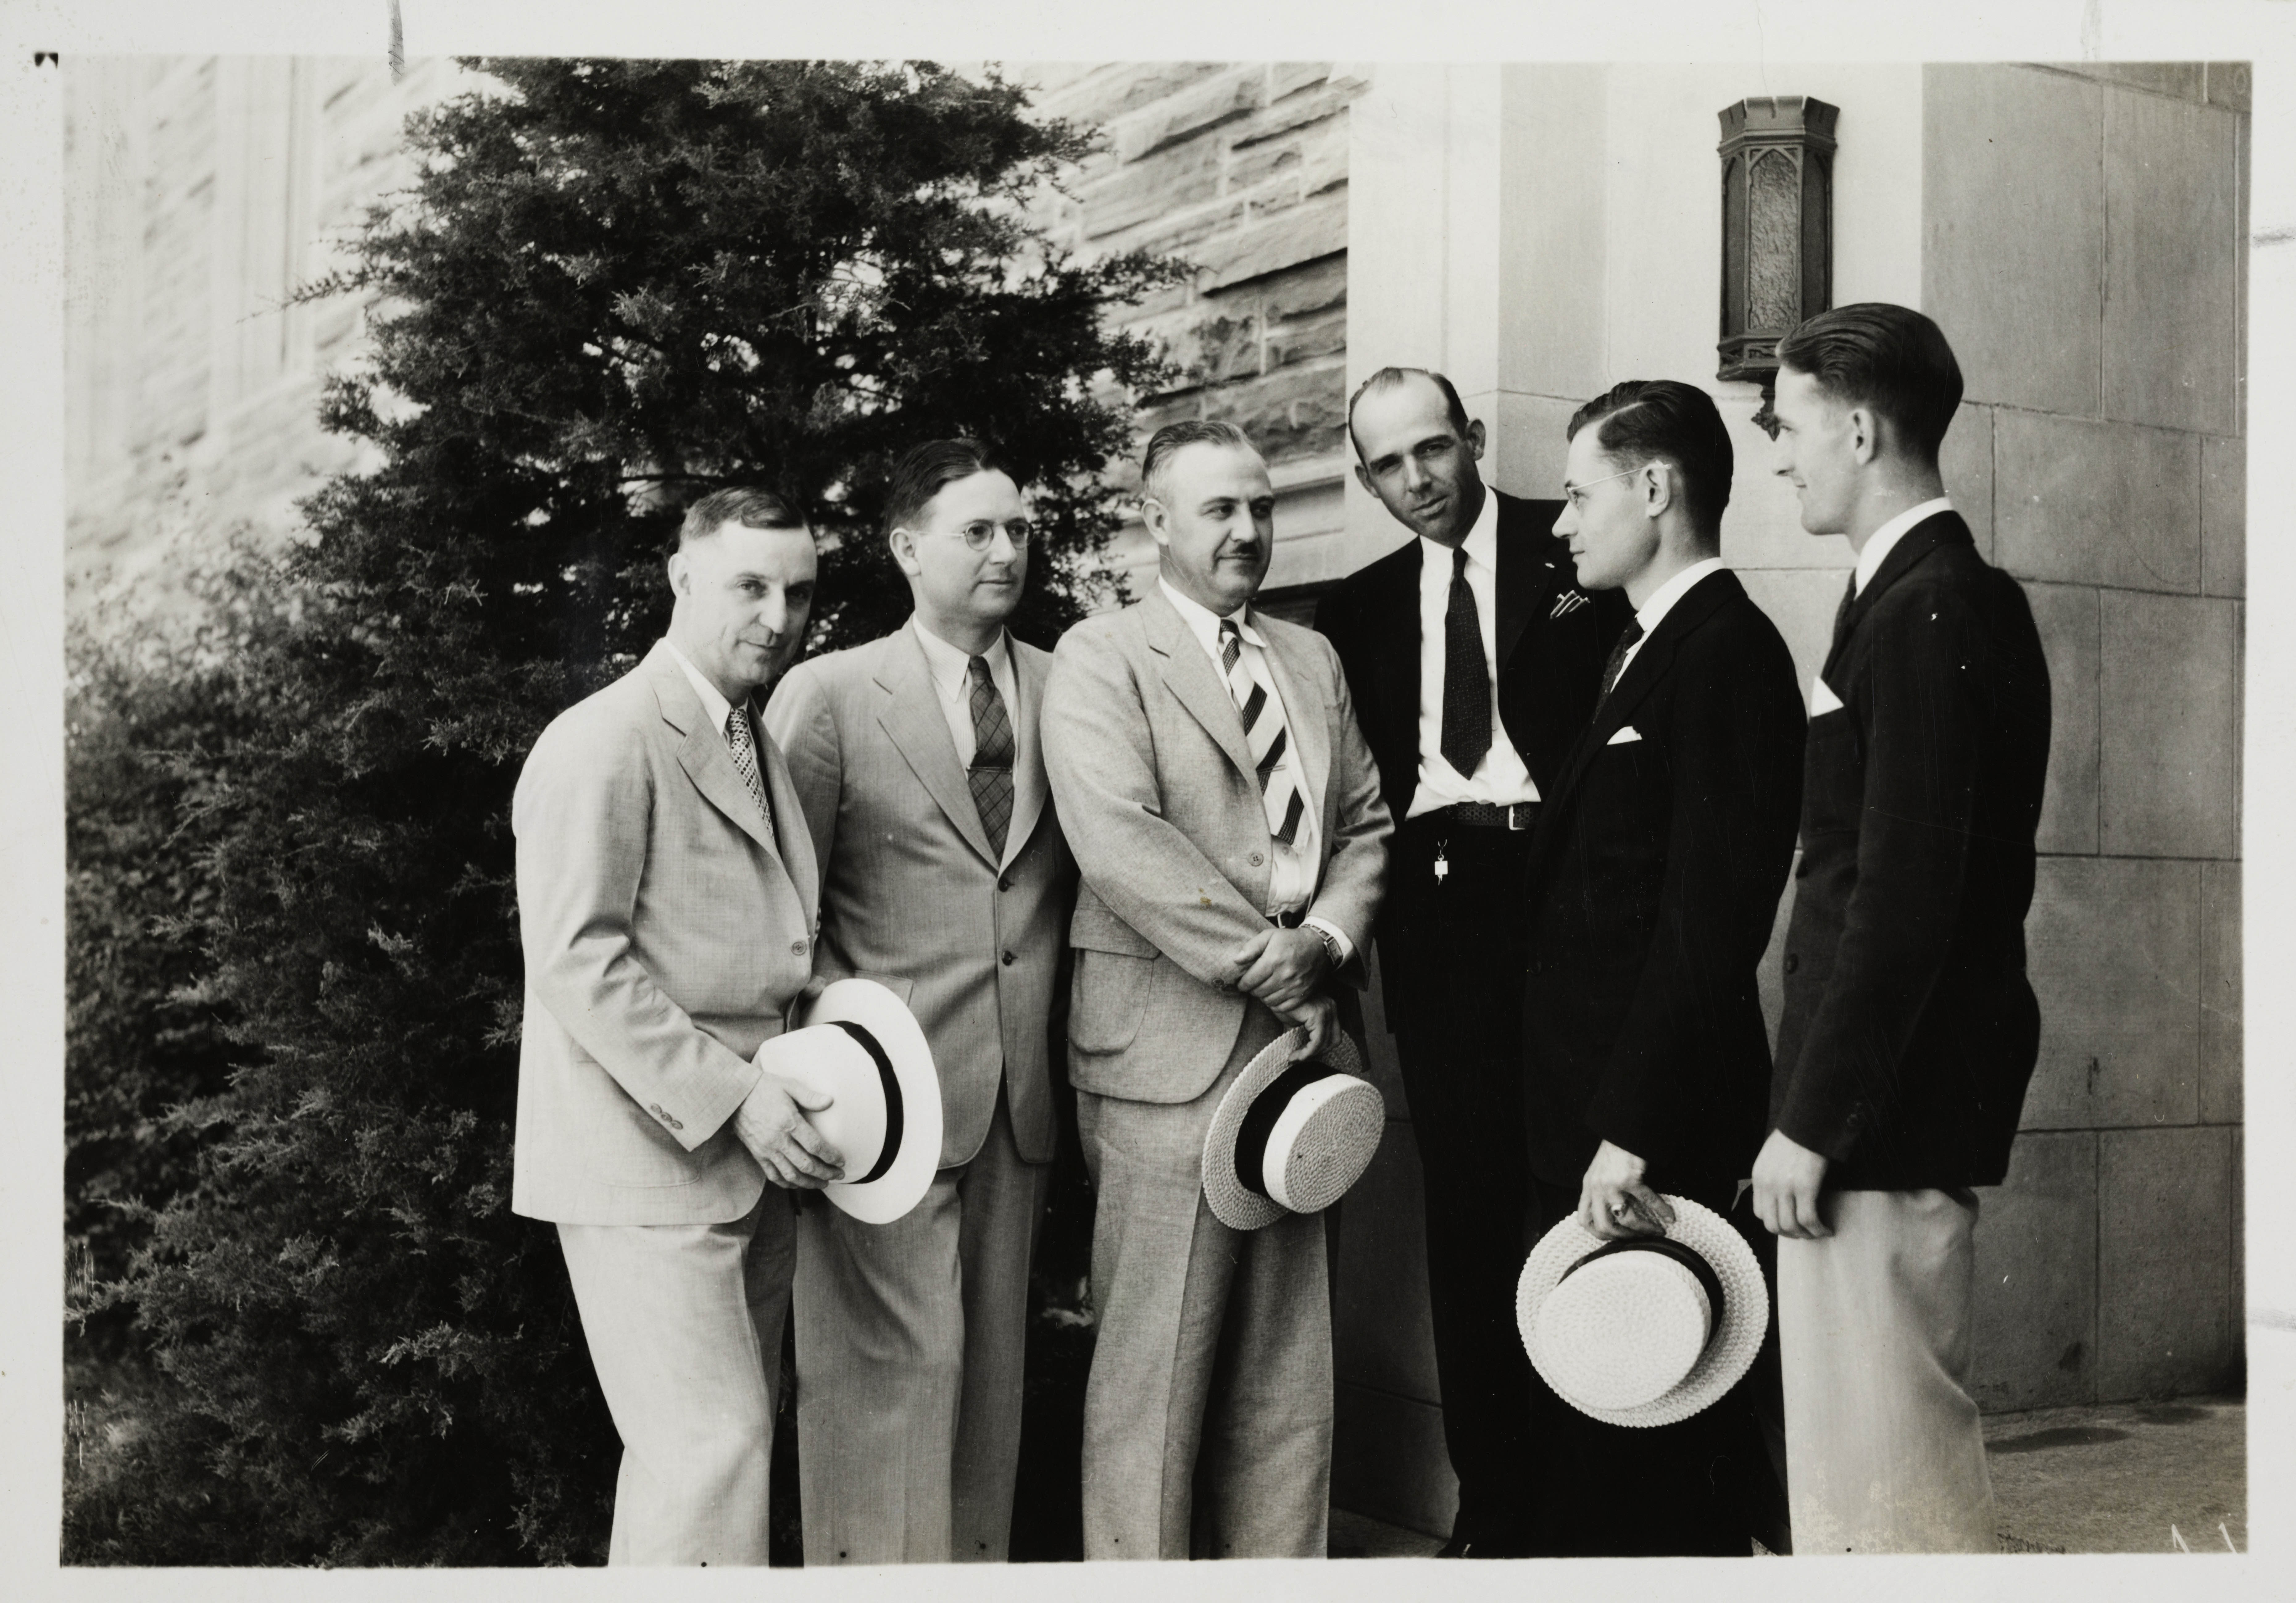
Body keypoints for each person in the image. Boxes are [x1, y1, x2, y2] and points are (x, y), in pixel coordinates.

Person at [1041, 419, 1391, 1559]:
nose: (1248, 531)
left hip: (1303, 1044)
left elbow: (1364, 827)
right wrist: (1269, 966)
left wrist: (1326, 943)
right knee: (1157, 1373)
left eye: (1262, 507)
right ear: (1157, 522)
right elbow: (1122, 842)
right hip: (1170, 1045)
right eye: (1219, 511)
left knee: (1288, 1374)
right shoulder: (1102, 656)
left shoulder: (1311, 657)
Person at [1313, 367, 1630, 1555]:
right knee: (1473, 1224)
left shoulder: (1580, 551)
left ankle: (1601, 1507)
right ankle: (1497, 1510)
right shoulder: (1361, 607)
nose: (1418, 481)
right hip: (1440, 929)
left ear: (1478, 439)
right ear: (1365, 478)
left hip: (1565, 908)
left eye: (1435, 450)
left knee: (1585, 1202)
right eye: (1388, 466)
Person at [1753, 303, 2051, 1554]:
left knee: (1895, 1495)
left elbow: (1904, 902)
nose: (1780, 454)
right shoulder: (1914, 601)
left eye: (1792, 424)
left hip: (1880, 1119)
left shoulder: (1934, 608)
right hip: (1877, 1113)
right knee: (1860, 1488)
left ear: (1863, 429)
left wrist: (1811, 1123)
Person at [762, 440, 1075, 1564]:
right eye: (978, 531)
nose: (1007, 550)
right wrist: (801, 1078)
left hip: (1017, 1107)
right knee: (881, 1394)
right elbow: (778, 909)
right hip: (880, 1110)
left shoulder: (1069, 684)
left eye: (1020, 529)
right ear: (906, 548)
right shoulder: (832, 695)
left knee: (989, 1400)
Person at [510, 486, 835, 1566]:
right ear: (683, 578)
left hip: (746, 1168)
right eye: (750, 585)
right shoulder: (602, 739)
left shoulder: (753, 741)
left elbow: (769, 946)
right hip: (642, 1163)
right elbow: (577, 962)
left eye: (797, 592)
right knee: (713, 1446)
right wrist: (740, 1093)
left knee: (702, 1459)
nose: (776, 615)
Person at [1516, 379, 1804, 1555]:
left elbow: (1710, 921)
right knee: (1610, 1446)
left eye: (1579, 494)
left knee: (1665, 1452)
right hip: (1594, 1113)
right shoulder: (1634, 643)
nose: (1559, 522)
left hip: (1651, 1132)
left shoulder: (1730, 649)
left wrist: (1629, 1127)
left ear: (1654, 488)